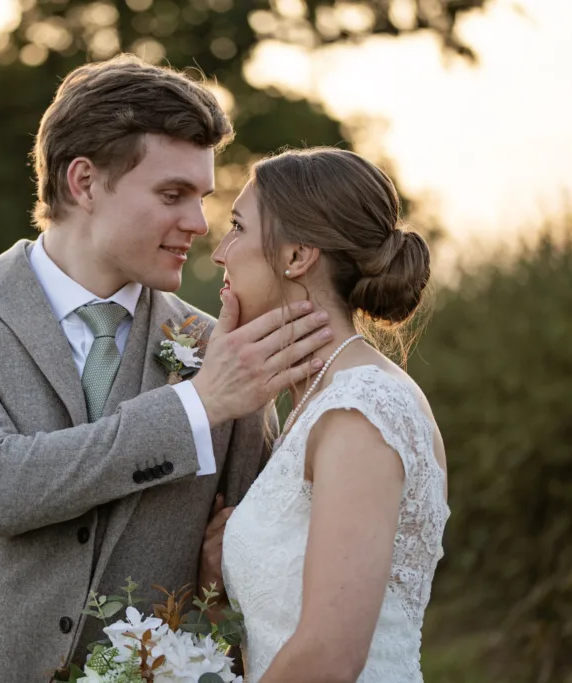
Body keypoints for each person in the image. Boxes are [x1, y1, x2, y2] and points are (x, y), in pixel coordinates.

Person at [0, 55, 332, 682]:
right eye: (172, 195)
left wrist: (225, 563)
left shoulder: (221, 349)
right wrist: (194, 407)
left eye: (202, 198)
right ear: (84, 183)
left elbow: (254, 555)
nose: (199, 225)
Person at [213, 148, 450, 683]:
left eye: (236, 227)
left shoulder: (360, 410)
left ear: (296, 255)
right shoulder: (314, 402)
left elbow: (329, 657)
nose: (219, 253)